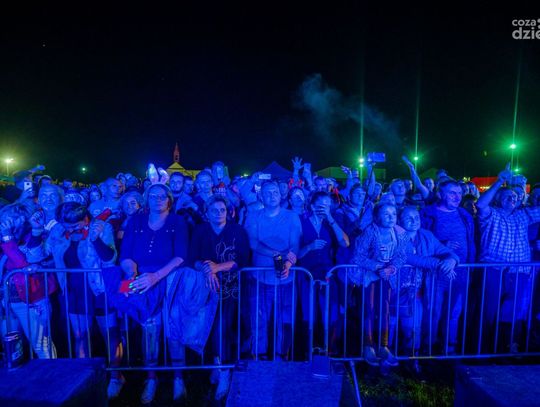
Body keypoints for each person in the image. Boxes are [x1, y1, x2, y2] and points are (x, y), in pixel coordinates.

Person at [118, 183, 188, 403]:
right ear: (146, 199)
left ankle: (178, 378)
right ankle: (151, 378)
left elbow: (181, 256)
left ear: (169, 200)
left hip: (171, 281)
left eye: (162, 196)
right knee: (149, 332)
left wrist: (156, 276)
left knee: (174, 331)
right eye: (153, 196)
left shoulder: (178, 221)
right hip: (142, 281)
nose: (158, 199)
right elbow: (125, 254)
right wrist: (132, 275)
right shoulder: (135, 221)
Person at [47, 202, 124, 398]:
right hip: (74, 291)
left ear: (86, 218)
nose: (72, 229)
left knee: (110, 334)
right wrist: (38, 232)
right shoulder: (58, 231)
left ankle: (116, 377)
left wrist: (95, 238)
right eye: (68, 226)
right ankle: (84, 378)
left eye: (76, 225)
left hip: (99, 289)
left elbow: (110, 259)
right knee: (80, 335)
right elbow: (47, 252)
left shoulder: (102, 227)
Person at [189, 195, 250, 400]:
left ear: (228, 212)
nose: (219, 213)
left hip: (231, 289)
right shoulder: (200, 230)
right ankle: (216, 363)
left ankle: (224, 371)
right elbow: (192, 258)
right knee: (207, 328)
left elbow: (242, 259)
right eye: (214, 210)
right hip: (205, 288)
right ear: (206, 213)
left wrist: (217, 267)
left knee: (222, 328)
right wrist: (208, 270)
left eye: (222, 210)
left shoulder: (237, 230)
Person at [476, 164, 540, 353]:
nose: (512, 199)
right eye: (507, 196)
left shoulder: (524, 215)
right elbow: (480, 204)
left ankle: (505, 348)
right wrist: (499, 182)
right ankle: (483, 350)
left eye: (515, 197)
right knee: (489, 311)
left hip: (519, 271)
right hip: (493, 269)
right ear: (498, 199)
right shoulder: (491, 214)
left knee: (512, 312)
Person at [392, 207, 458, 371]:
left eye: (416, 216)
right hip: (395, 291)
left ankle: (413, 361)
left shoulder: (426, 235)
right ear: (399, 220)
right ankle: (385, 362)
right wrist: (440, 264)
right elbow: (407, 257)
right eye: (408, 218)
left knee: (414, 327)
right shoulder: (393, 235)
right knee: (391, 326)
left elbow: (446, 251)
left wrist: (452, 260)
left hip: (419, 292)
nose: (414, 220)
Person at [245, 180, 301, 360]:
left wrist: (288, 263)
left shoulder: (292, 216)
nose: (272, 195)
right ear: (261, 196)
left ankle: (281, 356)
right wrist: (277, 254)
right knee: (258, 320)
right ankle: (259, 356)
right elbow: (253, 243)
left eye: (275, 192)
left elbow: (295, 244)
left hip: (286, 279)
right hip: (259, 278)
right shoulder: (253, 216)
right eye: (268, 192)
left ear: (281, 194)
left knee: (285, 320)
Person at [420, 179, 476, 354]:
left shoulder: (464, 214)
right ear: (440, 194)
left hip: (462, 272)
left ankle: (448, 350)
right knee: (433, 312)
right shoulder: (427, 214)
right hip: (436, 273)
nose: (457, 197)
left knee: (454, 312)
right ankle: (428, 350)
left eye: (459, 193)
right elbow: (418, 241)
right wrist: (441, 244)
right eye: (452, 193)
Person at [351, 203, 408, 367]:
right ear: (376, 217)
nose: (391, 217)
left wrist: (392, 267)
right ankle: (368, 345)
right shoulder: (370, 232)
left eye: (393, 214)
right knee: (368, 310)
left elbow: (402, 255)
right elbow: (357, 256)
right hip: (369, 277)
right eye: (386, 214)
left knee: (385, 310)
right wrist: (378, 267)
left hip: (387, 277)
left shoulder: (399, 233)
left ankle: (383, 346)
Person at [0, 203, 58, 359]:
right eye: (4, 218)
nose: (5, 222)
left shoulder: (34, 237)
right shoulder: (4, 240)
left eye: (10, 218)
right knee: (12, 345)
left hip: (31, 300)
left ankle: (53, 373)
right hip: (7, 301)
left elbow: (21, 263)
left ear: (22, 219)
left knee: (40, 343)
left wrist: (7, 237)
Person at [298, 192, 349, 350]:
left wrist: (331, 219)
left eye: (328, 205)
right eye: (322, 205)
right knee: (309, 312)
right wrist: (309, 247)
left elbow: (345, 243)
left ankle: (328, 349)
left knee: (330, 312)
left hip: (327, 274)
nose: (326, 208)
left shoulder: (331, 223)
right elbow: (293, 253)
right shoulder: (301, 222)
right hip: (306, 274)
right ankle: (309, 350)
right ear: (313, 206)